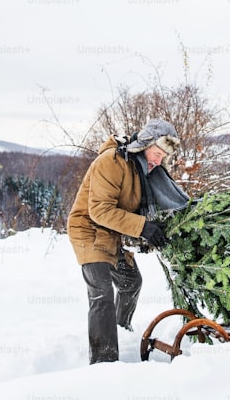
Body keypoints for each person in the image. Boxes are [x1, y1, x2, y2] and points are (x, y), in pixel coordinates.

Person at [67, 118, 182, 364]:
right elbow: (99, 210)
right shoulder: (111, 162)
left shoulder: (143, 171)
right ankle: (104, 361)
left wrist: (151, 232)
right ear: (144, 144)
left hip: (111, 233)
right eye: (157, 153)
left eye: (164, 157)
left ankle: (120, 330)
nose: (158, 161)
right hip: (88, 229)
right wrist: (142, 227)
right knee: (102, 294)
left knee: (131, 281)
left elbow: (134, 209)